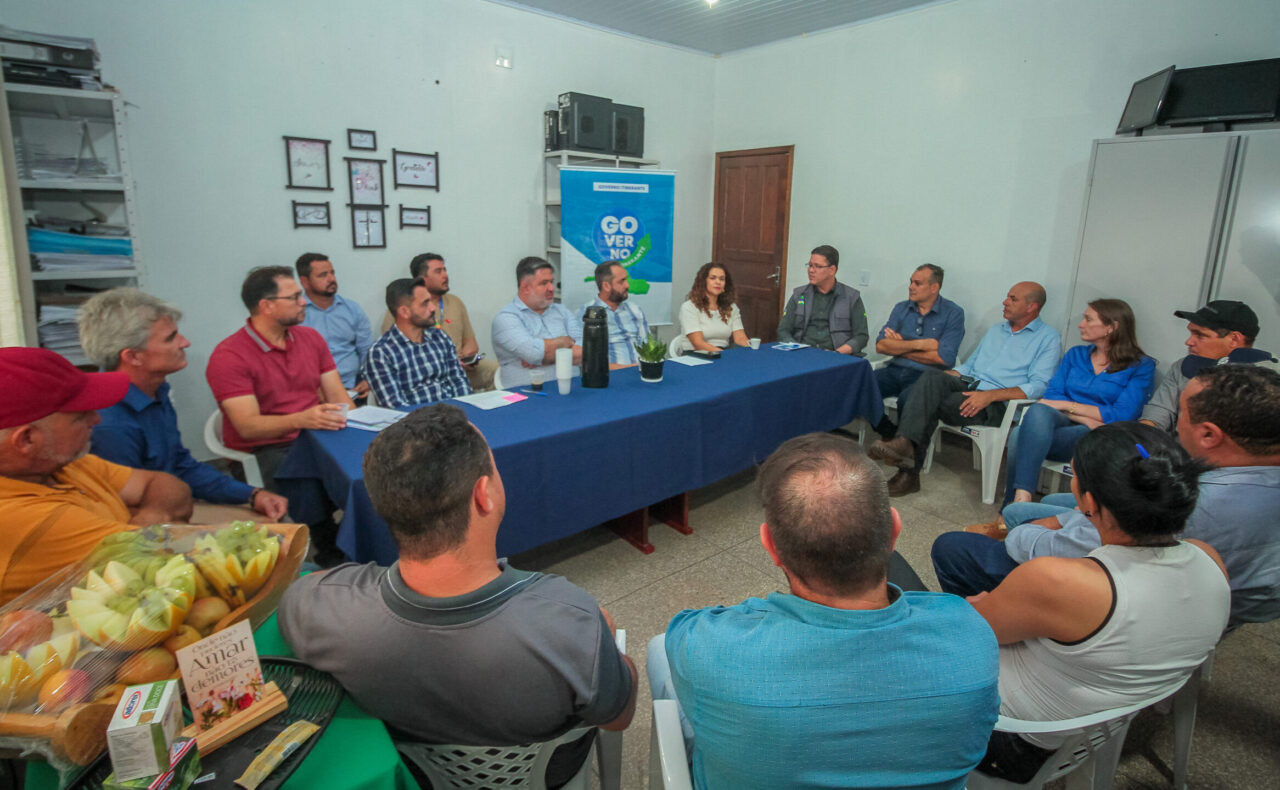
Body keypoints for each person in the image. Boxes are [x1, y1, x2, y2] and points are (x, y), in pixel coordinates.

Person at [278, 404, 637, 787]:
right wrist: (609, 644)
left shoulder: (315, 607)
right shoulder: (572, 623)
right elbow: (619, 716)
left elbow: (300, 591)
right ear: (484, 495)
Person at [649, 432, 998, 790]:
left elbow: (688, 632)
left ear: (771, 547)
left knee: (659, 649)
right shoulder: (972, 639)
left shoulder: (707, 646)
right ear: (894, 531)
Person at [964, 423, 1228, 783]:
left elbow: (971, 629)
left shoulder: (1063, 581)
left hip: (1005, 737)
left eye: (1074, 475)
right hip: (1092, 729)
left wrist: (983, 605)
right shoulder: (1209, 560)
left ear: (1087, 503)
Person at [933, 365, 1280, 631]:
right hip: (1208, 600)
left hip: (1131, 602)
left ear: (1208, 435)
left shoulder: (1186, 496)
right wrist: (1066, 517)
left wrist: (1030, 533)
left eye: (1181, 415)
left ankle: (973, 631)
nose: (1175, 426)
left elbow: (1069, 548)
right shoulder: (1240, 483)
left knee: (956, 547)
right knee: (1030, 511)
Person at [77, 288, 288, 523]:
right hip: (142, 523)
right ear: (133, 357)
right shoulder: (109, 423)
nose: (185, 342)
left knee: (278, 522)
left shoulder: (156, 390)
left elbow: (180, 464)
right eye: (171, 338)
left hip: (171, 504)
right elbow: (129, 516)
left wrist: (252, 495)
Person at [0, 348, 193, 604]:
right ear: (27, 439)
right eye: (80, 416)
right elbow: (168, 556)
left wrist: (151, 515)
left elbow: (169, 487)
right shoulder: (21, 519)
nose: (97, 419)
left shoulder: (62, 464)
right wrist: (157, 529)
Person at [869, 282, 1061, 497]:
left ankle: (908, 470)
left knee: (926, 402)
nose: (1005, 302)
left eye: (1013, 299)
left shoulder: (1048, 339)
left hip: (997, 402)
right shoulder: (997, 330)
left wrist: (990, 396)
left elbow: (1039, 386)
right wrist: (942, 379)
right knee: (930, 378)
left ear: (1031, 307)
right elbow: (969, 367)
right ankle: (905, 446)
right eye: (1007, 296)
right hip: (970, 384)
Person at [206, 266, 354, 492]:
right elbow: (248, 427)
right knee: (313, 486)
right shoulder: (230, 356)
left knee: (372, 466)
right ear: (266, 306)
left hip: (315, 435)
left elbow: (338, 397)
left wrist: (359, 429)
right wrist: (302, 420)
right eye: (294, 297)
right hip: (266, 449)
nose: (303, 302)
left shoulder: (311, 339)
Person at [999, 298, 1155, 508]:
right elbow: (1052, 398)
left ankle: (1012, 507)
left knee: (1019, 435)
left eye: (1088, 319)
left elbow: (1122, 414)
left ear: (1111, 327)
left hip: (1101, 437)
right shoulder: (1076, 355)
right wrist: (1087, 418)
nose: (1081, 324)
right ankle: (1022, 498)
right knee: (1039, 411)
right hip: (1067, 423)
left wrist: (1067, 406)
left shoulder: (1140, 365)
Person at [1141, 299, 1275, 432]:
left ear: (1234, 339)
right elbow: (1158, 413)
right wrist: (1141, 438)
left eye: (1200, 335)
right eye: (1191, 333)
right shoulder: (1183, 366)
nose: (1188, 342)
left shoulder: (1268, 382)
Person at [381, 253, 499, 391]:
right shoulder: (403, 310)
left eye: (445, 270)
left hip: (460, 366)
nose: (445, 275)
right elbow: (393, 350)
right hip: (424, 370)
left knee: (497, 370)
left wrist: (465, 360)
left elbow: (471, 343)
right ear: (422, 279)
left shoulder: (455, 302)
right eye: (438, 271)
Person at [872, 263, 965, 437]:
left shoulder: (953, 313)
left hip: (925, 376)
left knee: (909, 400)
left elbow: (945, 358)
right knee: (861, 384)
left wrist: (899, 347)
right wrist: (922, 345)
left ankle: (905, 444)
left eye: (917, 283)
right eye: (911, 282)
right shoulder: (901, 308)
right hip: (894, 370)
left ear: (934, 288)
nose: (911, 287)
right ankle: (886, 429)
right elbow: (881, 346)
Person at [364, 278, 473, 408]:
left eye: (430, 301)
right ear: (404, 312)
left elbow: (459, 381)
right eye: (425, 303)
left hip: (455, 414)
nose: (433, 308)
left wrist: (465, 410)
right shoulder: (381, 353)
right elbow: (396, 407)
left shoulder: (439, 337)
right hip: (416, 419)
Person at [491, 257, 582, 388]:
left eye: (551, 281)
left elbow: (584, 352)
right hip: (526, 393)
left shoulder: (562, 311)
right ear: (526, 287)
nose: (551, 288)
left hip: (572, 389)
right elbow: (534, 354)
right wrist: (566, 342)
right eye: (544, 283)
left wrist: (544, 357)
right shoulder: (506, 318)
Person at [296, 253, 374, 400]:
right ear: (305, 282)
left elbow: (367, 351)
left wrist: (369, 379)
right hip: (312, 393)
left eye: (332, 273)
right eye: (322, 275)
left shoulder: (352, 309)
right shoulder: (296, 314)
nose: (331, 279)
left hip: (353, 388)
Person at [776, 244, 869, 355]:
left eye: (817, 266)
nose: (811, 270)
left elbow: (861, 336)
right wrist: (797, 350)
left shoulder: (851, 297)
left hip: (836, 356)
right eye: (810, 265)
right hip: (802, 354)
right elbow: (783, 330)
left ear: (832, 270)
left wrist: (837, 353)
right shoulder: (799, 295)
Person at [582, 261, 648, 366]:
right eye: (622, 281)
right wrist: (628, 369)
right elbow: (589, 360)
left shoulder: (635, 310)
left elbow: (648, 347)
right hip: (611, 374)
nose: (627, 285)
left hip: (641, 372)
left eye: (626, 280)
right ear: (606, 286)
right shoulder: (587, 314)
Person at [675, 262, 749, 355]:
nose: (718, 282)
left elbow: (740, 338)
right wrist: (726, 356)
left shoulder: (731, 307)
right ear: (703, 282)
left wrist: (751, 349)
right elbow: (698, 344)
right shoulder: (689, 307)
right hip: (697, 354)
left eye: (722, 279)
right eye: (713, 278)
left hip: (722, 353)